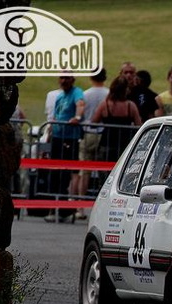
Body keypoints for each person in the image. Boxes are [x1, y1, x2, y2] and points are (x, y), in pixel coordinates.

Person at [45, 74, 85, 223]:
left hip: (69, 138)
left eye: (67, 78)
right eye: (62, 77)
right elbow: (54, 117)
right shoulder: (60, 96)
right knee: (54, 174)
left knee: (66, 175)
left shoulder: (77, 92)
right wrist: (49, 135)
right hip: (57, 137)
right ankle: (52, 208)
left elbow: (80, 104)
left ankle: (64, 209)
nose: (64, 80)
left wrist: (77, 117)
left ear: (73, 80)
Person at [75, 68, 109, 220]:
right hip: (102, 134)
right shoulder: (108, 93)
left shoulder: (85, 94)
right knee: (104, 173)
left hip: (88, 132)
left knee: (85, 172)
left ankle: (80, 208)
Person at [91, 76, 142, 164]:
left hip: (107, 143)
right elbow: (138, 125)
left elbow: (94, 121)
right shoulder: (130, 106)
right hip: (125, 144)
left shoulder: (105, 104)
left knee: (105, 172)